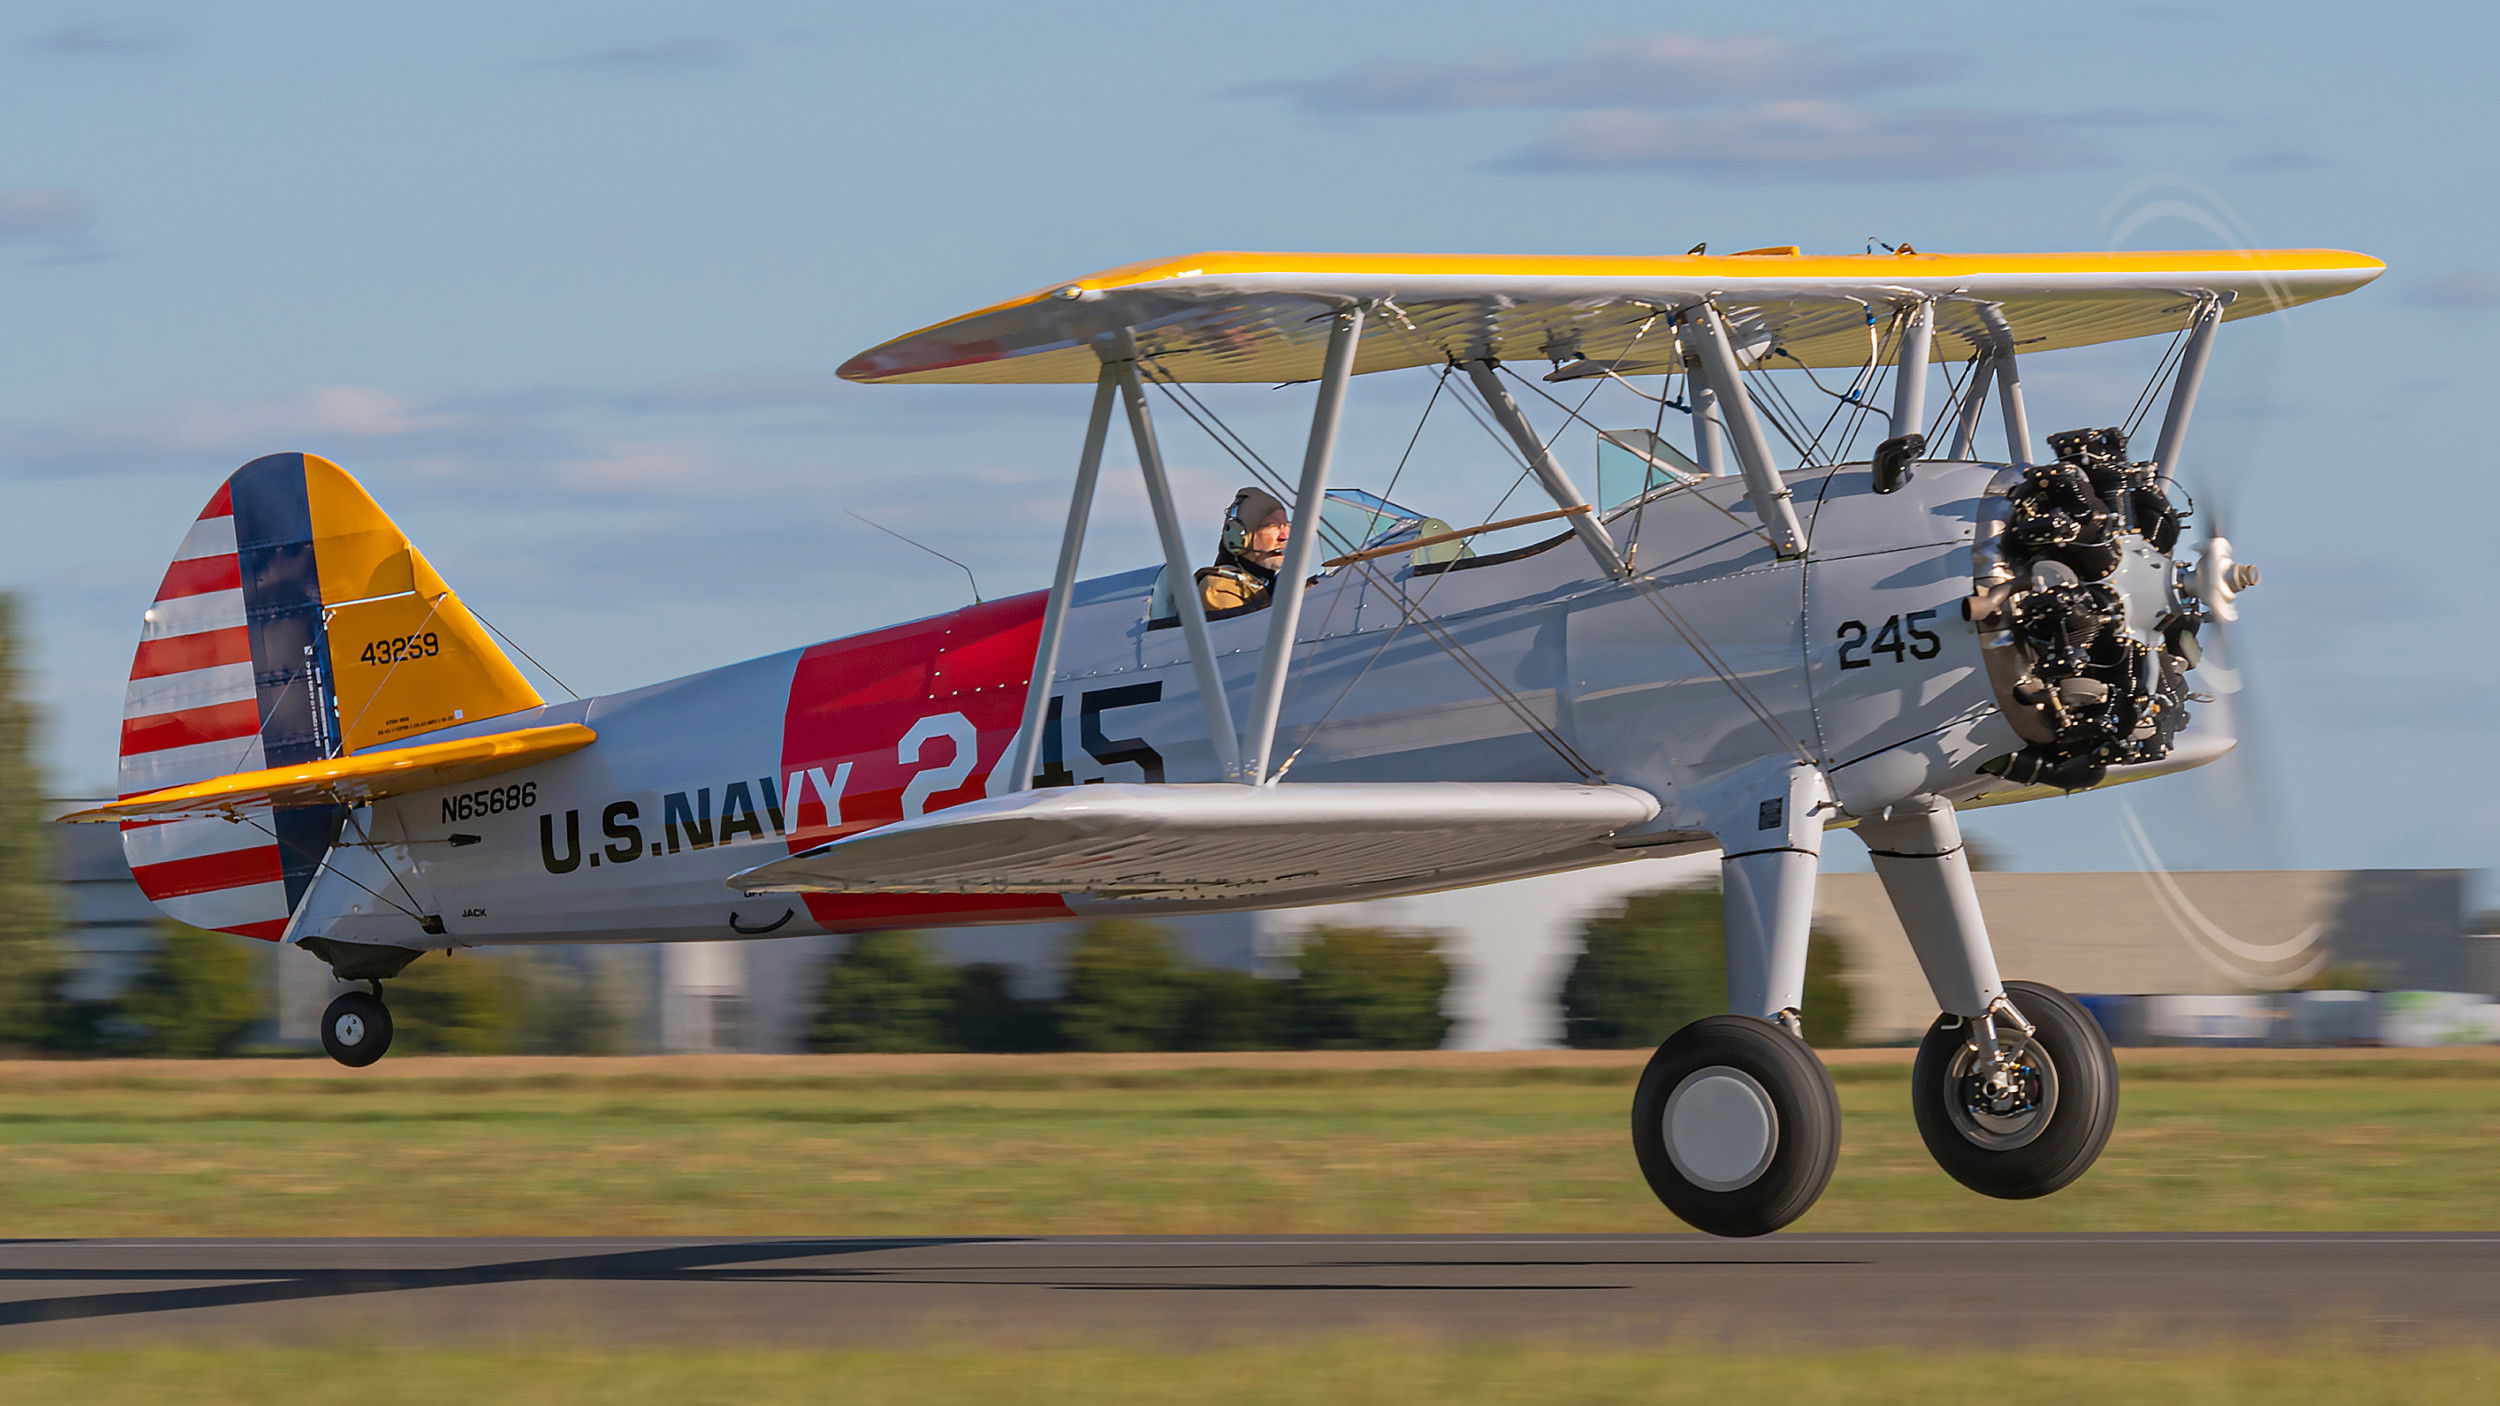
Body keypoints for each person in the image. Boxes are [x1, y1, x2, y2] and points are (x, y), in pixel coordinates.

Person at [1196, 486, 1289, 616]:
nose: (1284, 536)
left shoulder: (1271, 586)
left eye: (1286, 526)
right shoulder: (1219, 590)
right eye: (1270, 526)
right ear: (1238, 537)